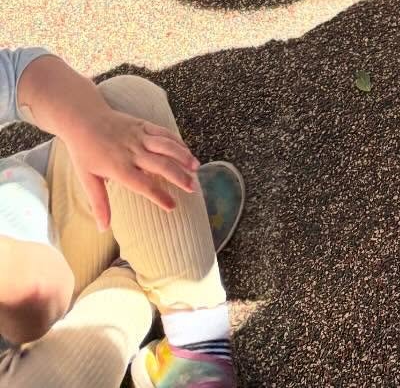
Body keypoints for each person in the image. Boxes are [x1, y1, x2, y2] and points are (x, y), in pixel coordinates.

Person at [1, 46, 242, 386]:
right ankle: (161, 259)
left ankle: (196, 341)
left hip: (53, 215)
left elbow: (22, 74)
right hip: (29, 350)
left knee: (123, 100)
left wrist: (91, 124)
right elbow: (37, 302)